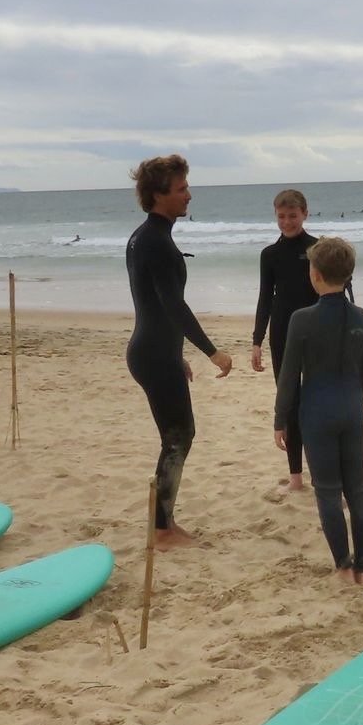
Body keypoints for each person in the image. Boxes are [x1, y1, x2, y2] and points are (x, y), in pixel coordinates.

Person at [124, 154, 232, 549]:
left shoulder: (145, 236)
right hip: (153, 352)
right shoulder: (156, 243)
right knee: (178, 436)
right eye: (182, 188)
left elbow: (152, 303)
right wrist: (211, 351)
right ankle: (162, 529)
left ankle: (163, 524)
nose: (189, 195)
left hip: (154, 349)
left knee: (177, 435)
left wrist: (176, 352)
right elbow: (172, 306)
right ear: (159, 195)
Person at [273, 237, 363, 584]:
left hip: (317, 412)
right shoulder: (361, 316)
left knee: (328, 491)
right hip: (352, 410)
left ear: (315, 275)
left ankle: (344, 567)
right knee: (358, 491)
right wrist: (354, 402)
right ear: (348, 274)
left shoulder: (301, 320)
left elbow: (289, 376)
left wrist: (280, 420)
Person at [251, 189, 343, 494]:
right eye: (281, 216)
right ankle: (295, 477)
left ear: (305, 213)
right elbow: (265, 299)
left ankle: (324, 472)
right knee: (288, 401)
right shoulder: (269, 255)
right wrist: (256, 341)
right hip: (282, 331)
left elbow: (335, 290)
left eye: (293, 215)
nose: (287, 221)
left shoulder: (318, 249)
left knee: (317, 399)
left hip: (315, 329)